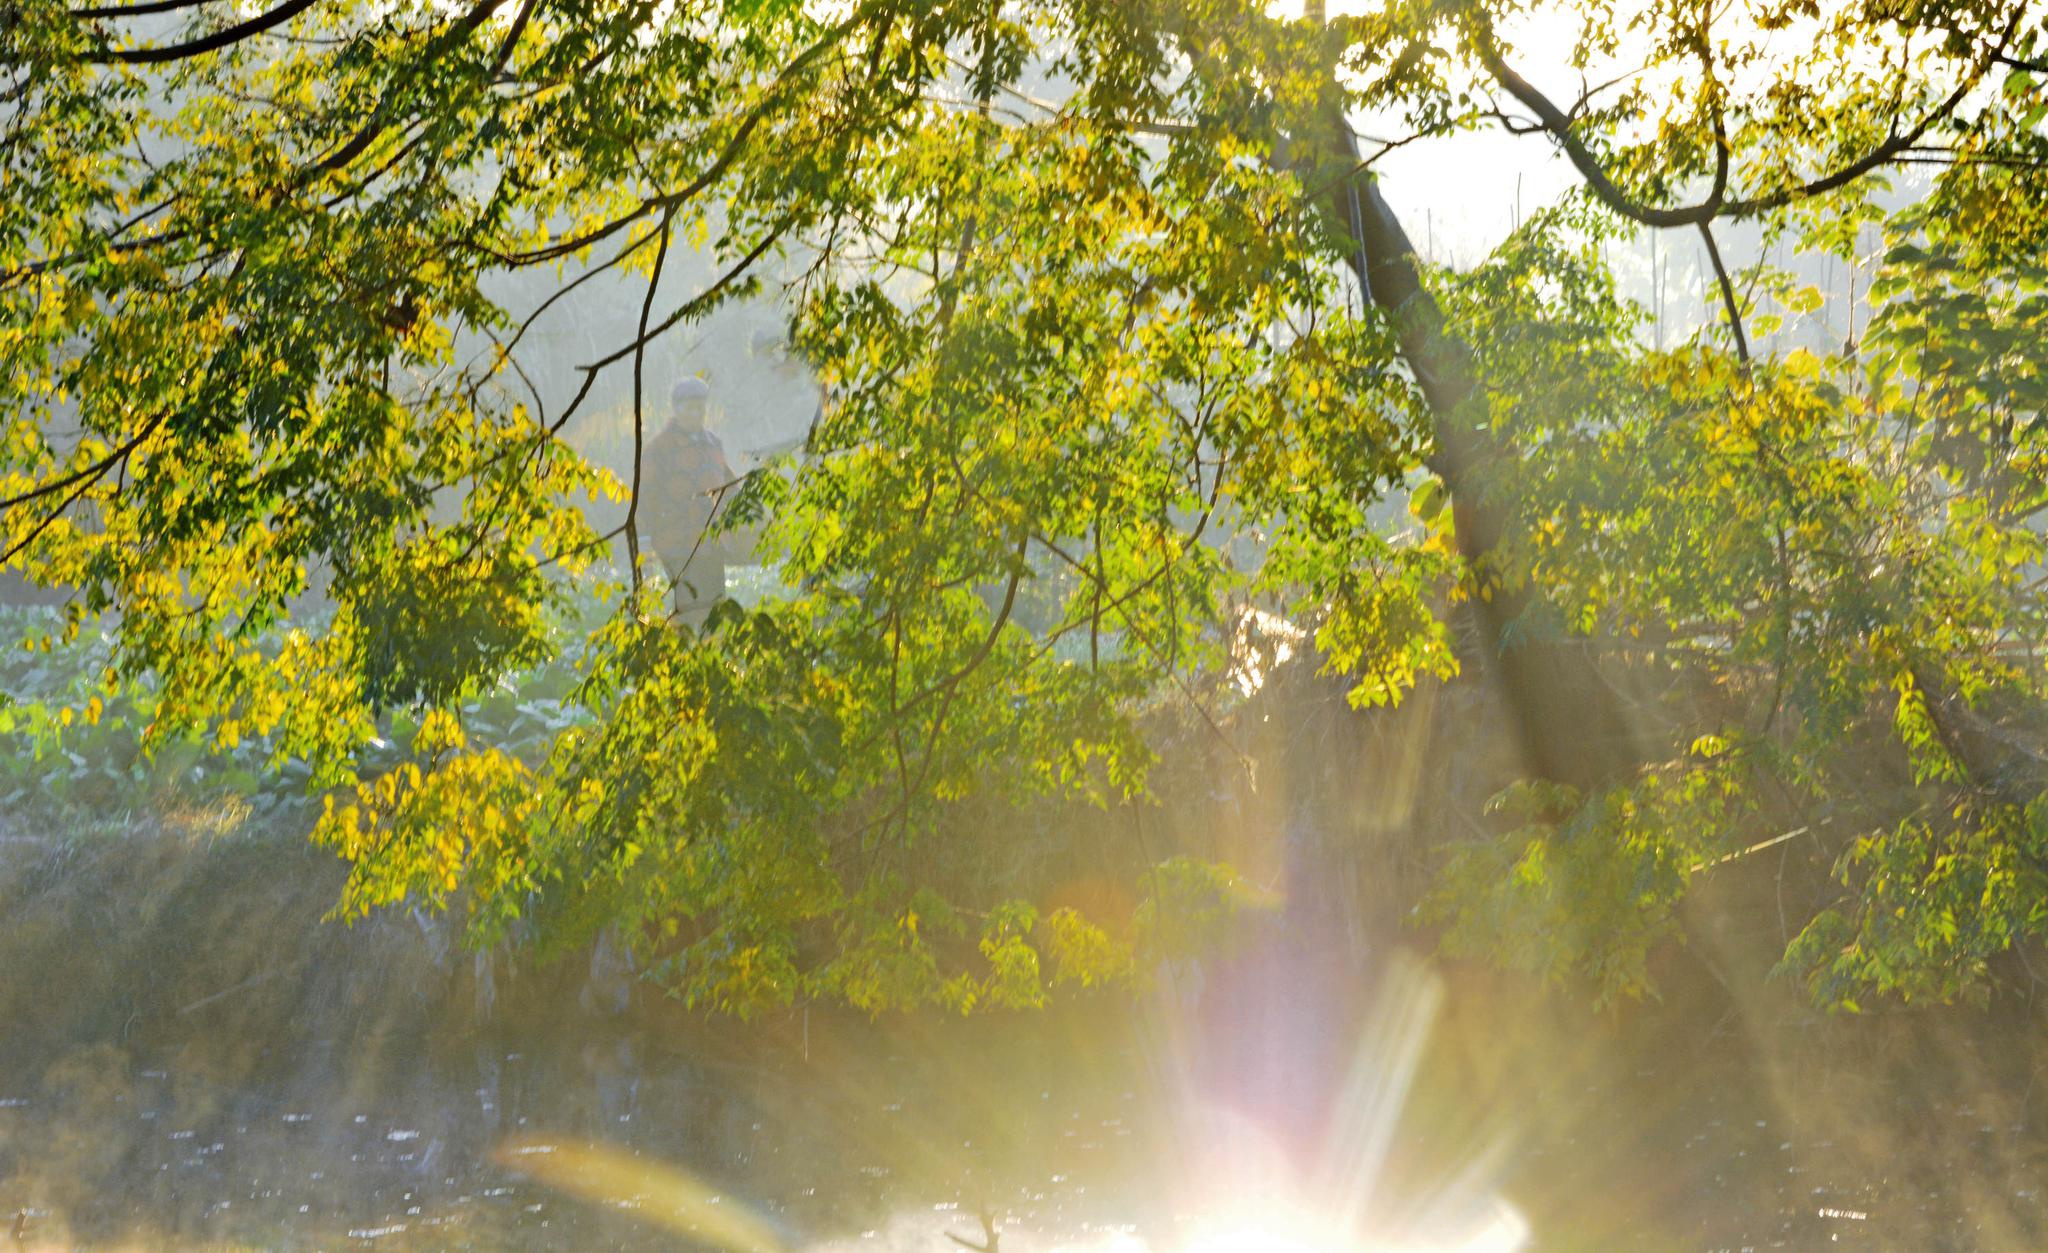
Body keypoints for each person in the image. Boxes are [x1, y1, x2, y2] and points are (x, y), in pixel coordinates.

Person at [641, 376, 737, 625]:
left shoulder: (714, 444)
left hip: (710, 541)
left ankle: (713, 659)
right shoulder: (658, 448)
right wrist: (645, 539)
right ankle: (682, 658)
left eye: (700, 406)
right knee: (688, 608)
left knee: (715, 608)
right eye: (690, 406)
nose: (697, 412)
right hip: (676, 542)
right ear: (676, 408)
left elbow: (730, 487)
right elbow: (645, 497)